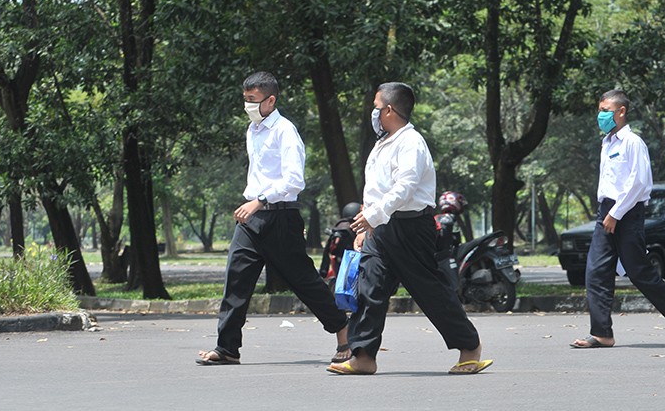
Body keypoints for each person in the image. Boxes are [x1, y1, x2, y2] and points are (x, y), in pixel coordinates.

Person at [326, 82, 491, 375]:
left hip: (411, 227)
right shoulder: (382, 144)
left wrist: (375, 214)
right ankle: (363, 355)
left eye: (376, 107)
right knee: (369, 287)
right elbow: (374, 190)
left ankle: (470, 347)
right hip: (382, 227)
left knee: (429, 291)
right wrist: (367, 224)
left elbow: (405, 187)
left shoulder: (411, 142)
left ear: (388, 110)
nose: (373, 113)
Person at [197, 71, 350, 365]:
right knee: (236, 280)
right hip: (252, 219)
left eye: (253, 100)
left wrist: (260, 200)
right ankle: (228, 348)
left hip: (280, 217)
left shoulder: (285, 131)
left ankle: (343, 330)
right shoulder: (252, 130)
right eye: (245, 100)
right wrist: (252, 204)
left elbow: (294, 181)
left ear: (270, 100)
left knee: (303, 281)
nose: (248, 106)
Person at [571, 89, 665, 348]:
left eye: (606, 110)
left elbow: (638, 183)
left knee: (639, 271)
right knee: (595, 272)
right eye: (600, 110)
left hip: (626, 212)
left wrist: (615, 214)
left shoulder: (632, 142)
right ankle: (602, 333)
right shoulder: (607, 143)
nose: (601, 115)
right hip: (606, 211)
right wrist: (606, 212)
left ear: (621, 112)